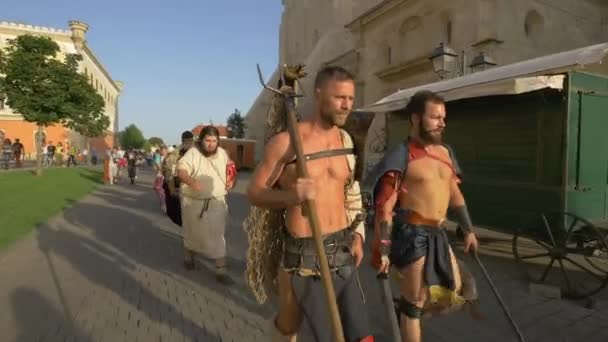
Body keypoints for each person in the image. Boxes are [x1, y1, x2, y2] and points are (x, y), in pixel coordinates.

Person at [246, 66, 373, 342]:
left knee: (359, 334)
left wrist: (359, 235)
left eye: (351, 99)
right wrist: (291, 196)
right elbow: (254, 192)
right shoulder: (287, 142)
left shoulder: (346, 140)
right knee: (291, 326)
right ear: (318, 95)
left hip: (342, 247)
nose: (347, 105)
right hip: (302, 254)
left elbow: (351, 190)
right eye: (340, 97)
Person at [365, 90, 480, 342]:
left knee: (452, 293)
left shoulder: (445, 153)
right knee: (415, 302)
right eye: (435, 117)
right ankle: (408, 313)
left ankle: (404, 310)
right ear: (416, 119)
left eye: (443, 117)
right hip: (412, 234)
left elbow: (455, 194)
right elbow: (385, 205)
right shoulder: (402, 154)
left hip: (438, 233)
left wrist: (468, 229)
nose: (442, 122)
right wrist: (382, 249)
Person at [177, 126, 236, 284]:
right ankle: (189, 257)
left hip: (217, 201)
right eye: (208, 141)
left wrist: (231, 181)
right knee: (192, 232)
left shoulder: (222, 153)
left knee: (218, 235)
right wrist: (191, 181)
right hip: (193, 203)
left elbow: (230, 168)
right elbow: (181, 171)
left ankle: (221, 270)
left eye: (214, 141)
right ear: (201, 140)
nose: (211, 144)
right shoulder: (193, 153)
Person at [162, 131, 195, 226]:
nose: (189, 144)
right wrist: (172, 189)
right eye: (187, 141)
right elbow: (168, 172)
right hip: (178, 186)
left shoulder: (197, 152)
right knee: (175, 213)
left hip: (192, 187)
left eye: (191, 141)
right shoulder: (175, 154)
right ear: (183, 141)